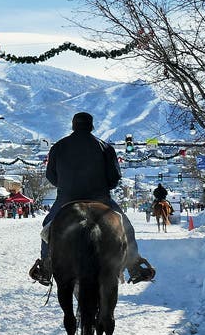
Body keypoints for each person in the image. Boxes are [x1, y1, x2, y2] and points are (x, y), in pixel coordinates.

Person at [29, 112, 155, 285]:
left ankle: (46, 267)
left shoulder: (58, 147)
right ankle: (134, 266)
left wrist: (66, 185)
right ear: (91, 126)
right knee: (126, 227)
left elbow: (51, 175)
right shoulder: (105, 147)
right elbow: (114, 177)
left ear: (73, 126)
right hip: (100, 199)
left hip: (66, 199)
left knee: (48, 227)